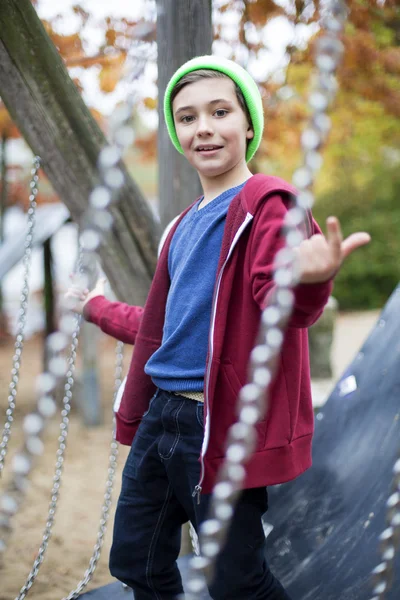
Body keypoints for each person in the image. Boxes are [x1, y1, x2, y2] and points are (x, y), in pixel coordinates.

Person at [66, 56, 370, 600]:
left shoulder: (267, 205)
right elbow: (160, 328)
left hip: (219, 422)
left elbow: (276, 302)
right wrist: (95, 306)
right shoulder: (182, 226)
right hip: (162, 414)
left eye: (219, 111)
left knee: (235, 578)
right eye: (186, 118)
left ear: (248, 124)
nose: (202, 127)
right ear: (178, 133)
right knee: (136, 557)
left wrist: (307, 278)